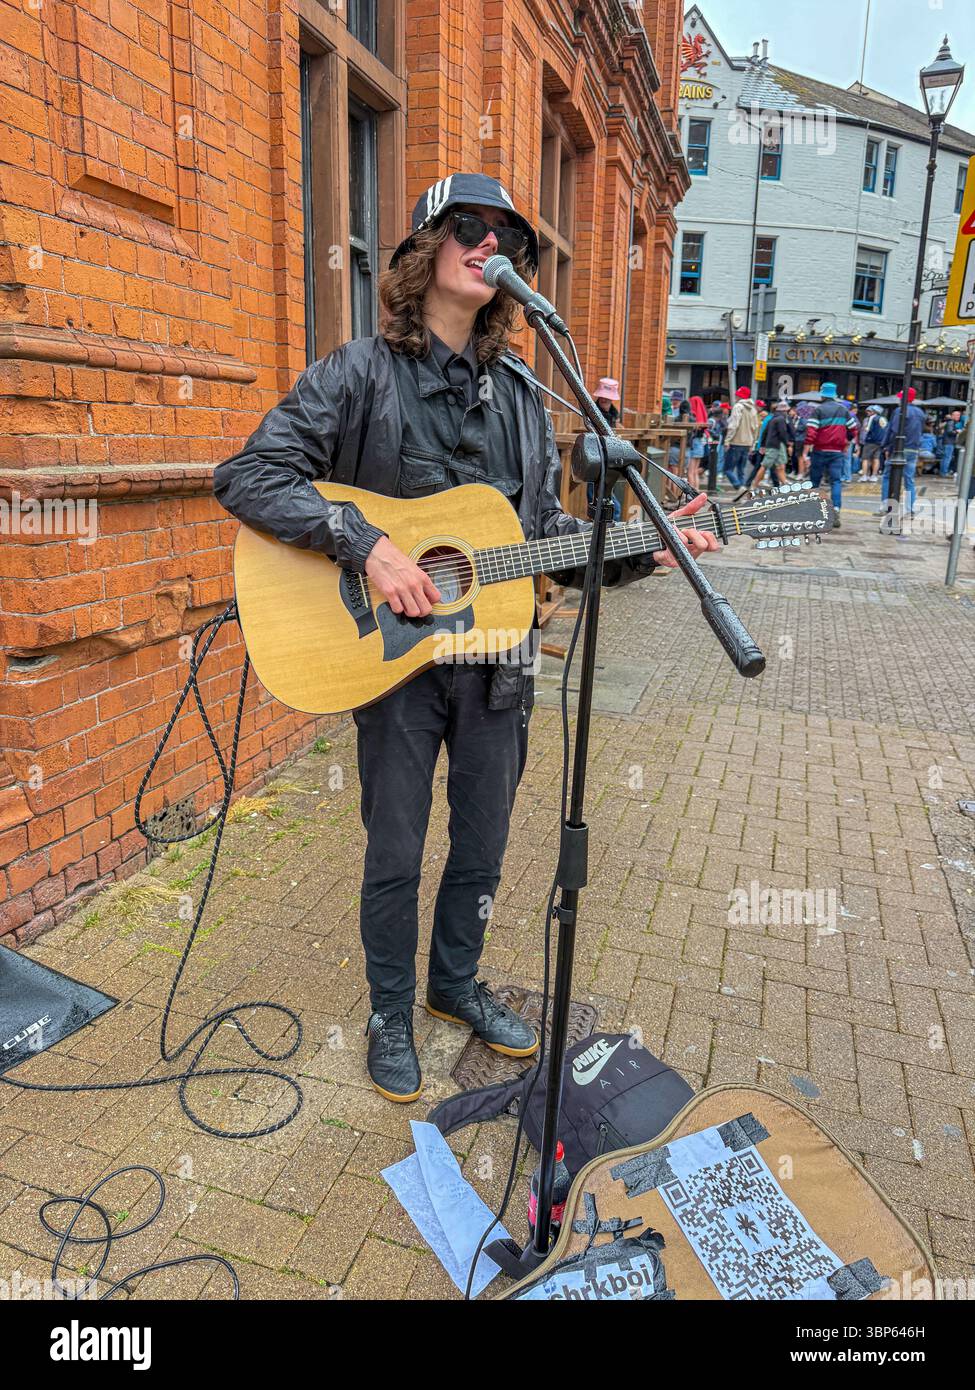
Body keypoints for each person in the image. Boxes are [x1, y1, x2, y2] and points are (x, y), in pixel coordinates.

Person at [213, 173, 719, 1103]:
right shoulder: (355, 375)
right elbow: (249, 476)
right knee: (396, 851)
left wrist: (652, 549)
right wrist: (367, 547)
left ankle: (454, 984)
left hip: (500, 662)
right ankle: (387, 1008)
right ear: (423, 249)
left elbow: (539, 549)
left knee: (483, 846)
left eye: (508, 239)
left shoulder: (526, 396)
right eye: (470, 229)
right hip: (396, 665)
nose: (493, 246)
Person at [802, 382, 856, 526]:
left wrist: (806, 452)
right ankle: (836, 509)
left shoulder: (818, 410)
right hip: (837, 452)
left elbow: (811, 433)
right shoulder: (844, 410)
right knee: (836, 481)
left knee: (815, 482)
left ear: (822, 395)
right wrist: (847, 442)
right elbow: (853, 429)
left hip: (819, 451)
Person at [881, 386, 924, 518]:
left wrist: (886, 446)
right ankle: (909, 509)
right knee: (909, 479)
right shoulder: (920, 412)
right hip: (913, 448)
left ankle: (886, 505)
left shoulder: (900, 411)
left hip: (899, 448)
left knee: (888, 476)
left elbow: (893, 430)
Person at [587, 377, 622, 520]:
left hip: (608, 459)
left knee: (607, 500)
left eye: (607, 397)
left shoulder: (613, 415)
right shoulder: (593, 411)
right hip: (595, 458)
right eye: (602, 397)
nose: (604, 399)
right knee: (599, 499)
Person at [724, 385, 759, 488]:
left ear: (740, 396)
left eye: (737, 395)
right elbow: (755, 428)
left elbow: (734, 425)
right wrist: (752, 444)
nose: (735, 397)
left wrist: (727, 440)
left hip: (736, 442)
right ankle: (743, 490)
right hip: (747, 443)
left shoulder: (738, 407)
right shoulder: (753, 409)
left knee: (728, 469)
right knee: (741, 470)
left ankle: (738, 486)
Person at [860, 406, 886, 481]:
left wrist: (865, 427)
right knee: (876, 458)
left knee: (865, 458)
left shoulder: (872, 418)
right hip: (880, 442)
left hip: (870, 441)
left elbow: (867, 429)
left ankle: (864, 476)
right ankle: (874, 476)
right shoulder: (883, 419)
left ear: (875, 411)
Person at [940, 409, 960, 477]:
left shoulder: (950, 422)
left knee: (945, 458)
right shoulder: (951, 422)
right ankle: (944, 473)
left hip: (947, 442)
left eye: (959, 415)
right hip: (949, 443)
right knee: (947, 458)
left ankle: (942, 472)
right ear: (952, 415)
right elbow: (949, 432)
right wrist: (957, 431)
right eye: (957, 415)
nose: (958, 416)